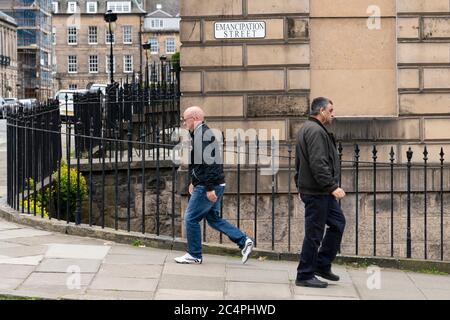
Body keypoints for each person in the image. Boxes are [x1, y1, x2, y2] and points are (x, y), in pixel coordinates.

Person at [174, 106, 254, 264]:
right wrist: (192, 181)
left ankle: (194, 255)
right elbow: (199, 163)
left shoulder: (203, 135)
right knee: (213, 219)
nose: (184, 123)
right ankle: (244, 241)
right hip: (210, 183)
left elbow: (211, 164)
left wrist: (209, 188)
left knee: (190, 219)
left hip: (208, 185)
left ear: (195, 118)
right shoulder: (200, 134)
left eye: (185, 119)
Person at [294, 97, 346, 288]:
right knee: (314, 233)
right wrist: (332, 187)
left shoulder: (311, 129)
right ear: (321, 111)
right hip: (318, 191)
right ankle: (305, 274)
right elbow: (317, 163)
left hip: (318, 191)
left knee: (338, 223)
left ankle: (322, 265)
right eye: (330, 110)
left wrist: (299, 185)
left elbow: (299, 162)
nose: (333, 114)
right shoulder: (315, 130)